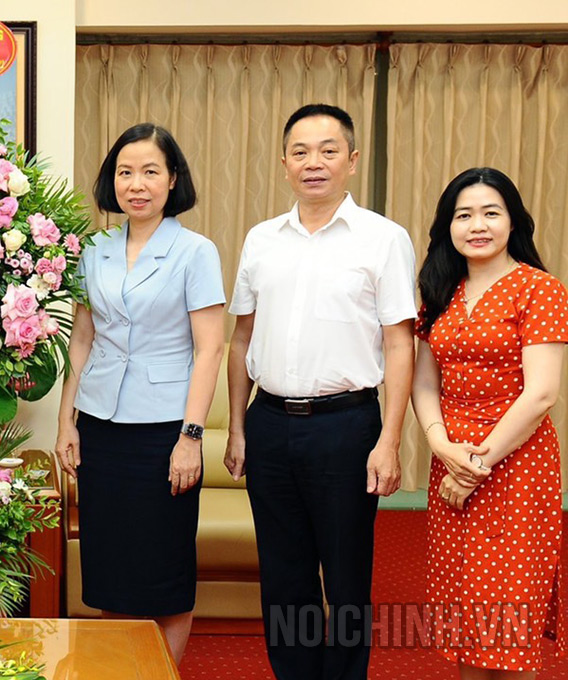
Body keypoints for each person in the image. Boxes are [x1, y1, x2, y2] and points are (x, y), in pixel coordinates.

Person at [225, 104, 416, 680]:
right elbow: (240, 340)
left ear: (351, 161)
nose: (314, 163)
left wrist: (390, 440)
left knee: (347, 575)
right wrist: (236, 426)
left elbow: (401, 344)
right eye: (301, 152)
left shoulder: (384, 239)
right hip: (270, 422)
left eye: (329, 151)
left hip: (346, 426)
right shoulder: (261, 240)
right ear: (284, 163)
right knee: (284, 576)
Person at [54, 123, 225, 665]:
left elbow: (210, 349)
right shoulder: (93, 248)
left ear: (173, 179)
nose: (137, 184)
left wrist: (191, 438)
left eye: (151, 171)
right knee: (110, 567)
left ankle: (159, 673)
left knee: (164, 567)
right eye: (126, 172)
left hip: (164, 430)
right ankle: (119, 669)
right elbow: (82, 338)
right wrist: (66, 423)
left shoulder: (196, 251)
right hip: (102, 426)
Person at [411, 167, 568, 678]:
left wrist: (474, 464)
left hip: (515, 469)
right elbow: (423, 382)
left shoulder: (539, 288)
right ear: (447, 227)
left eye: (490, 213)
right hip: (452, 463)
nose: (477, 225)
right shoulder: (440, 290)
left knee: (507, 617)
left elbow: (542, 392)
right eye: (464, 215)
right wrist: (441, 445)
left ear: (513, 222)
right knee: (465, 613)